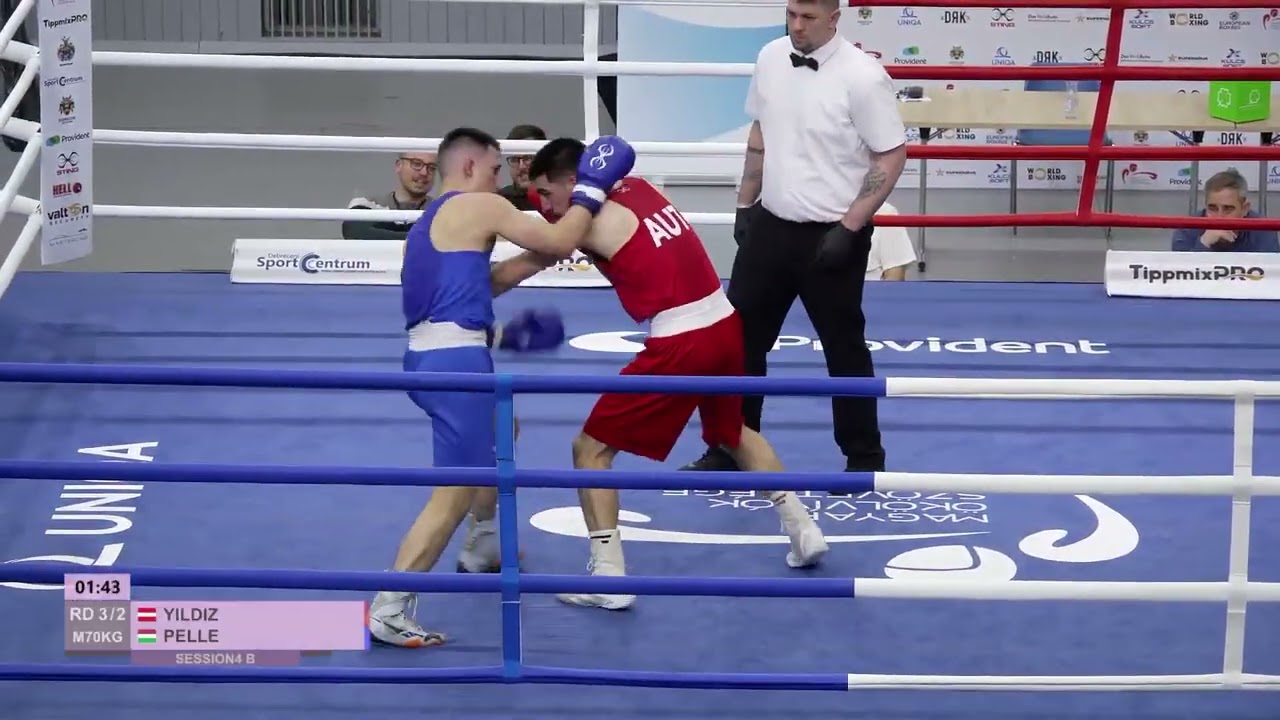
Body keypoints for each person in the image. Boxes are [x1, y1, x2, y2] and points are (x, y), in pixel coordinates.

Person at [525, 137, 830, 611]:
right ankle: (803, 530)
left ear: (573, 182)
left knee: (590, 449)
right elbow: (553, 207)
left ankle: (608, 576)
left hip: (681, 337)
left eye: (548, 193)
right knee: (733, 430)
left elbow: (548, 244)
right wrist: (537, 196)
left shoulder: (584, 222)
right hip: (725, 322)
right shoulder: (640, 188)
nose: (545, 204)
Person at [368, 127, 637, 647]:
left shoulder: (431, 223)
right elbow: (560, 238)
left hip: (434, 356)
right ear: (469, 167)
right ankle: (390, 605)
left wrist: (537, 263)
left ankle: (484, 543)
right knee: (453, 491)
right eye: (495, 168)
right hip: (456, 364)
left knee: (502, 427)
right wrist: (591, 189)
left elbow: (486, 282)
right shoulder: (480, 205)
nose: (501, 178)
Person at [678, 0, 907, 494]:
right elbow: (759, 134)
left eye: (808, 18)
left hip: (832, 230)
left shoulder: (863, 77)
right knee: (737, 342)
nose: (797, 26)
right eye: (791, 15)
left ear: (834, 19)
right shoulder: (769, 57)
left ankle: (865, 459)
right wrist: (744, 202)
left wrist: (850, 227)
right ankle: (730, 448)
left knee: (843, 348)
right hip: (771, 225)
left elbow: (890, 155)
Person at [1170, 169, 1279, 253]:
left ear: (1245, 209)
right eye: (1213, 208)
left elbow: (1270, 278)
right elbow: (1181, 278)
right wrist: (1203, 244)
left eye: (1228, 209)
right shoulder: (1186, 231)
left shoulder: (1263, 231)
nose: (1219, 217)